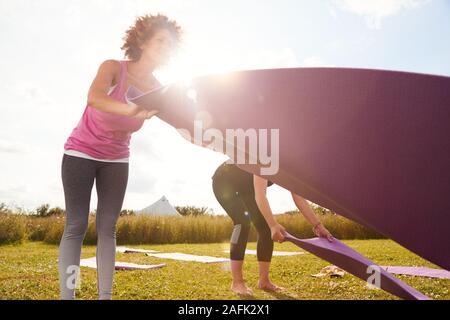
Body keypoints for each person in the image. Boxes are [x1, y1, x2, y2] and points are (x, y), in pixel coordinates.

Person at [59, 14, 182, 300]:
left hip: (117, 158)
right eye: (161, 40)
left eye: (171, 44)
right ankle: (69, 295)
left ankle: (105, 296)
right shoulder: (113, 68)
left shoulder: (156, 88)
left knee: (108, 228)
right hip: (80, 152)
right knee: (76, 225)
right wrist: (129, 110)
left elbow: (182, 120)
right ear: (143, 40)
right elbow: (94, 97)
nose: (166, 47)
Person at [212, 161, 333, 295]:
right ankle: (237, 282)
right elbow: (260, 194)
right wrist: (273, 224)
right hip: (224, 180)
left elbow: (299, 198)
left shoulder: (292, 166)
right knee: (242, 222)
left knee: (265, 229)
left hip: (246, 187)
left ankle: (264, 281)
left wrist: (318, 225)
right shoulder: (266, 156)